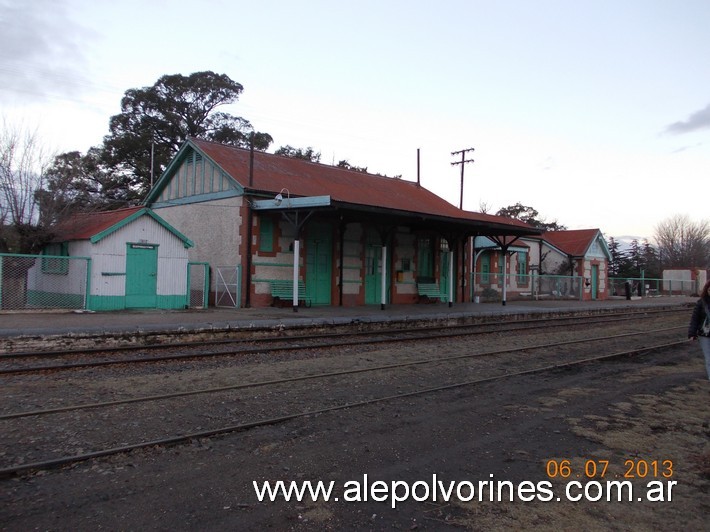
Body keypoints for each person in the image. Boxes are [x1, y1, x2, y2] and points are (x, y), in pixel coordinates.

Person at [688, 279, 710, 379]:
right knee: (709, 360)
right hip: (704, 335)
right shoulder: (701, 303)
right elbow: (695, 318)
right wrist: (692, 333)